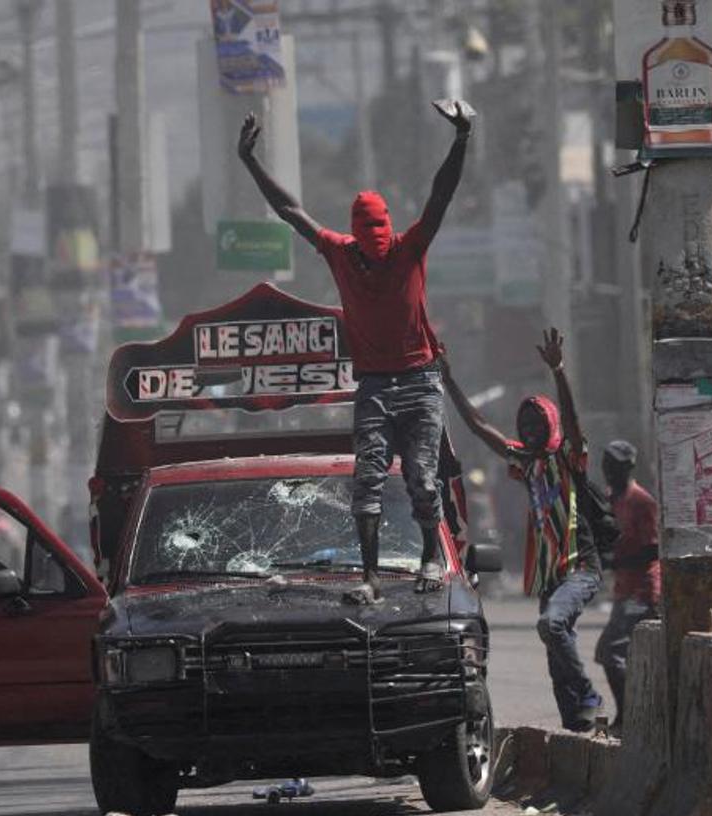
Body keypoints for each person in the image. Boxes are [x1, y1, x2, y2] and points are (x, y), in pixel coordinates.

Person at [237, 99, 473, 602]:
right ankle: (369, 577)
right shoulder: (340, 253)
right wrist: (250, 162)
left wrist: (462, 139)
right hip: (373, 384)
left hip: (419, 381)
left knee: (423, 481)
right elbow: (289, 211)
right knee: (365, 481)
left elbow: (440, 196)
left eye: (380, 236)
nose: (376, 246)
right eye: (369, 239)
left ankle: (431, 554)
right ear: (356, 234)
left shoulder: (409, 249)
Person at [443, 329, 605, 732]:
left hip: (580, 567)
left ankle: (588, 692)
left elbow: (572, 421)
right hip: (551, 576)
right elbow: (480, 426)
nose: (530, 429)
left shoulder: (567, 457)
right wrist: (447, 380)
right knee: (554, 649)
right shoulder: (524, 462)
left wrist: (559, 371)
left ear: (549, 425)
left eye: (537, 423)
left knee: (551, 626)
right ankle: (577, 725)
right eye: (525, 423)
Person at [594, 440, 659, 733]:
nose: (608, 471)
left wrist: (616, 562)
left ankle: (629, 716)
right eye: (606, 464)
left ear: (627, 467)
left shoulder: (642, 502)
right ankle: (635, 714)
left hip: (642, 592)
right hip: (623, 591)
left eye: (615, 466)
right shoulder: (611, 499)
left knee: (611, 653)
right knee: (613, 653)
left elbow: (652, 550)